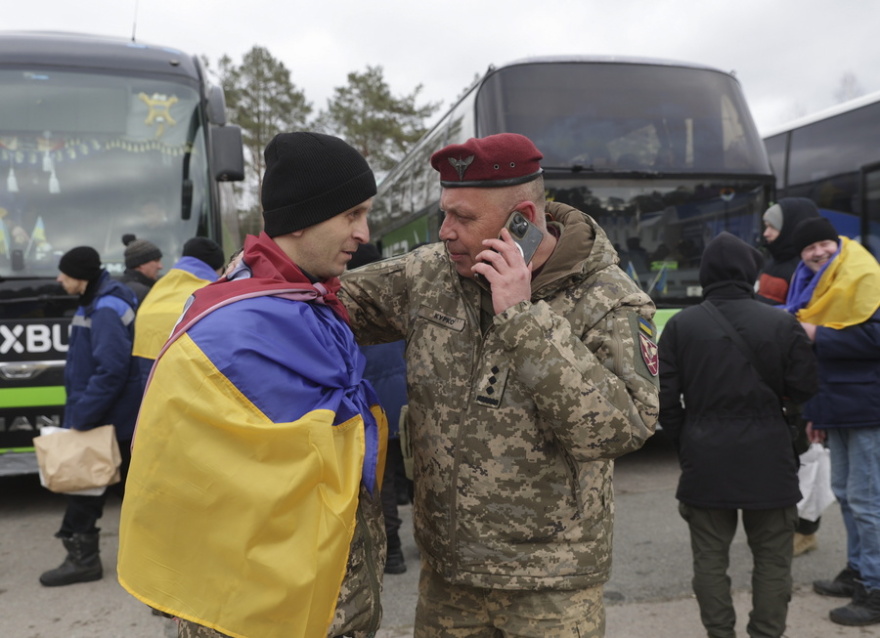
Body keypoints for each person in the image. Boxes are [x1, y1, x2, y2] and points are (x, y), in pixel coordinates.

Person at [341, 132, 660, 637]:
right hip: (449, 576)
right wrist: (254, 276)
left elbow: (622, 429)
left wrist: (523, 318)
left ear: (524, 221)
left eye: (463, 218)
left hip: (551, 587)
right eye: (444, 213)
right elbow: (331, 301)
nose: (445, 231)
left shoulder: (610, 299)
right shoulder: (432, 273)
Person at [117, 132, 387, 638]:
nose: (363, 233)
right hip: (251, 610)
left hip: (319, 593)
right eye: (351, 214)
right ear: (305, 214)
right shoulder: (238, 327)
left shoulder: (302, 299)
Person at [658, 231, 818, 638]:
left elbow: (663, 400)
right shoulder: (782, 322)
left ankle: (720, 633)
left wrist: (686, 442)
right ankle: (766, 632)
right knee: (772, 561)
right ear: (750, 272)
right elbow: (804, 387)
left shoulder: (680, 327)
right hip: (771, 459)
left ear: (706, 273)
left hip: (705, 458)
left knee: (709, 560)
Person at [784, 216, 880, 627]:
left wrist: (816, 333)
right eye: (809, 248)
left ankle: (875, 589)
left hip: (866, 408)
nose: (818, 251)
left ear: (836, 244)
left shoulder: (864, 275)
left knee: (866, 500)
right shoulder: (811, 284)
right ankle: (858, 571)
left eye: (824, 244)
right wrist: (816, 415)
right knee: (845, 491)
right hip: (838, 407)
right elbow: (818, 366)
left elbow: (874, 339)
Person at [39, 246, 142, 587]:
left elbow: (111, 370)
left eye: (63, 273)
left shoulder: (106, 307)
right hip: (111, 417)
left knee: (91, 488)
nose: (58, 279)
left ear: (79, 276)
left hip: (106, 418)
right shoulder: (98, 299)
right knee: (106, 489)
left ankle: (85, 560)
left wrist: (82, 416)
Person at [756, 197, 824, 557]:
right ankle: (788, 523)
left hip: (799, 372)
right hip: (774, 370)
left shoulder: (807, 268)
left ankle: (806, 529)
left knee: (809, 456)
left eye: (773, 226)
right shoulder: (777, 262)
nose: (766, 233)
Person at [347, 242, 409, 575]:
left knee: (380, 480)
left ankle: (394, 550)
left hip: (374, 408)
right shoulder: (398, 299)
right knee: (406, 469)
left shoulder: (351, 307)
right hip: (404, 400)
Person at [131, 236, 224, 385]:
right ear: (216, 267)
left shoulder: (160, 284)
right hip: (184, 369)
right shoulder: (211, 290)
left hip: (146, 364)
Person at [120, 233, 163, 304]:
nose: (160, 266)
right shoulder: (143, 293)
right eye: (156, 261)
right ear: (141, 264)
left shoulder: (122, 286)